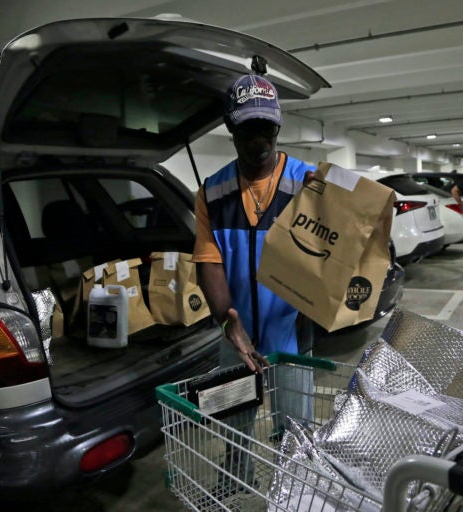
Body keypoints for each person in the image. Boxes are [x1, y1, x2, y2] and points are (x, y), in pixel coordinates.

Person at [192, 74, 315, 498]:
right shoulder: (213, 190)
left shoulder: (309, 182)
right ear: (231, 128)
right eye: (247, 128)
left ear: (278, 127)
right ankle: (234, 480)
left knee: (294, 424)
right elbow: (208, 261)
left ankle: (291, 492)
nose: (258, 138)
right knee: (234, 418)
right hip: (236, 331)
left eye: (266, 127)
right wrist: (228, 322)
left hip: (292, 333)